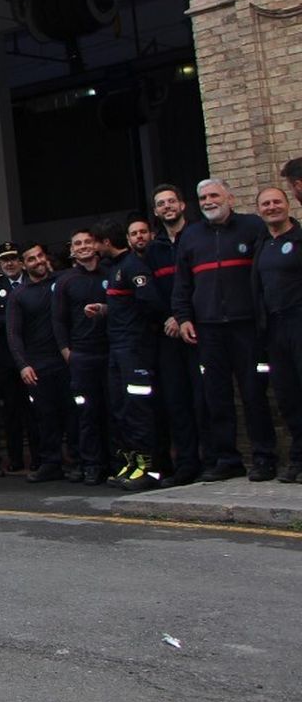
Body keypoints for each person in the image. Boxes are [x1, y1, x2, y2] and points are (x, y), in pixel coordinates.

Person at [171, 178, 275, 482]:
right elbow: (182, 284)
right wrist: (184, 317)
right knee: (215, 397)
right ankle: (228, 459)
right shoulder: (191, 236)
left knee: (254, 394)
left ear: (229, 196)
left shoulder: (252, 227)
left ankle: (264, 457)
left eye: (214, 195)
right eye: (203, 197)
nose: (208, 201)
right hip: (208, 329)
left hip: (247, 327)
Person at [102, 219, 168, 492]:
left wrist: (139, 329)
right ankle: (133, 462)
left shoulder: (133, 266)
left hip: (134, 349)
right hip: (118, 348)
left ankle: (151, 469)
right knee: (122, 408)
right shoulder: (116, 268)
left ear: (106, 242)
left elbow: (150, 302)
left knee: (139, 409)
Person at [150, 183, 202, 486]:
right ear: (156, 211)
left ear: (182, 205)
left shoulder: (198, 238)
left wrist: (186, 317)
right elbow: (151, 294)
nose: (167, 206)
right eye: (161, 203)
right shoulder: (153, 249)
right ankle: (186, 464)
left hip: (198, 330)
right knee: (177, 401)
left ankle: (216, 460)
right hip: (168, 336)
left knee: (206, 398)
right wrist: (169, 317)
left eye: (172, 201)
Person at [53, 228, 111, 485]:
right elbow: (58, 320)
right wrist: (67, 352)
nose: (84, 246)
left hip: (110, 352)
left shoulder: (111, 273)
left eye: (88, 242)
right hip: (82, 356)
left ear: (97, 245)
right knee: (86, 413)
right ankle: (91, 465)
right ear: (72, 250)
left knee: (114, 411)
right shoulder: (65, 281)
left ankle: (116, 462)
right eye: (78, 243)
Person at [5, 243, 67, 482]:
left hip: (66, 360)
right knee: (45, 417)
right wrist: (23, 364)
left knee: (76, 414)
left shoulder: (62, 282)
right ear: (24, 264)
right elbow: (14, 333)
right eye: (31, 259)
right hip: (39, 365)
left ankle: (85, 461)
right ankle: (51, 463)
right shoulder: (19, 295)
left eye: (41, 256)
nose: (38, 261)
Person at [255, 186, 302, 483]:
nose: (272, 207)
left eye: (276, 202)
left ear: (287, 205)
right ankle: (298, 457)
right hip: (273, 329)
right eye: (266, 204)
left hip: (299, 322)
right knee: (286, 395)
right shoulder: (262, 245)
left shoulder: (299, 238)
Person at [0, 242, 30, 471]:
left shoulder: (31, 282)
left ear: (21, 261)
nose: (9, 264)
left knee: (35, 410)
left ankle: (42, 456)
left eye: (13, 259)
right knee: (11, 411)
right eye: (4, 260)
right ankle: (15, 458)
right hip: (6, 359)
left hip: (32, 356)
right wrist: (16, 321)